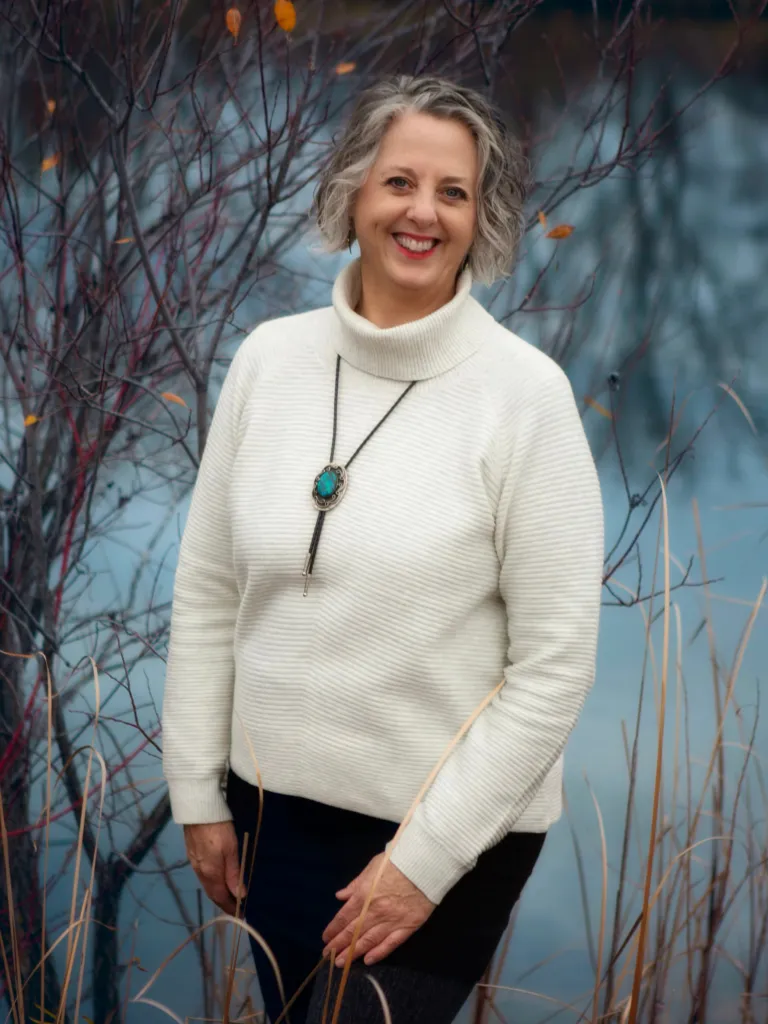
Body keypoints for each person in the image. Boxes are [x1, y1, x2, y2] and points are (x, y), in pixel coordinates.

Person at [162, 74, 604, 1024]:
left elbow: (554, 668)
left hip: (449, 832)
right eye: (400, 181)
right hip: (272, 815)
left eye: (454, 192)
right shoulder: (268, 361)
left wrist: (422, 861)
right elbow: (205, 591)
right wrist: (197, 791)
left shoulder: (525, 399)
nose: (423, 213)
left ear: (479, 219)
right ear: (353, 192)